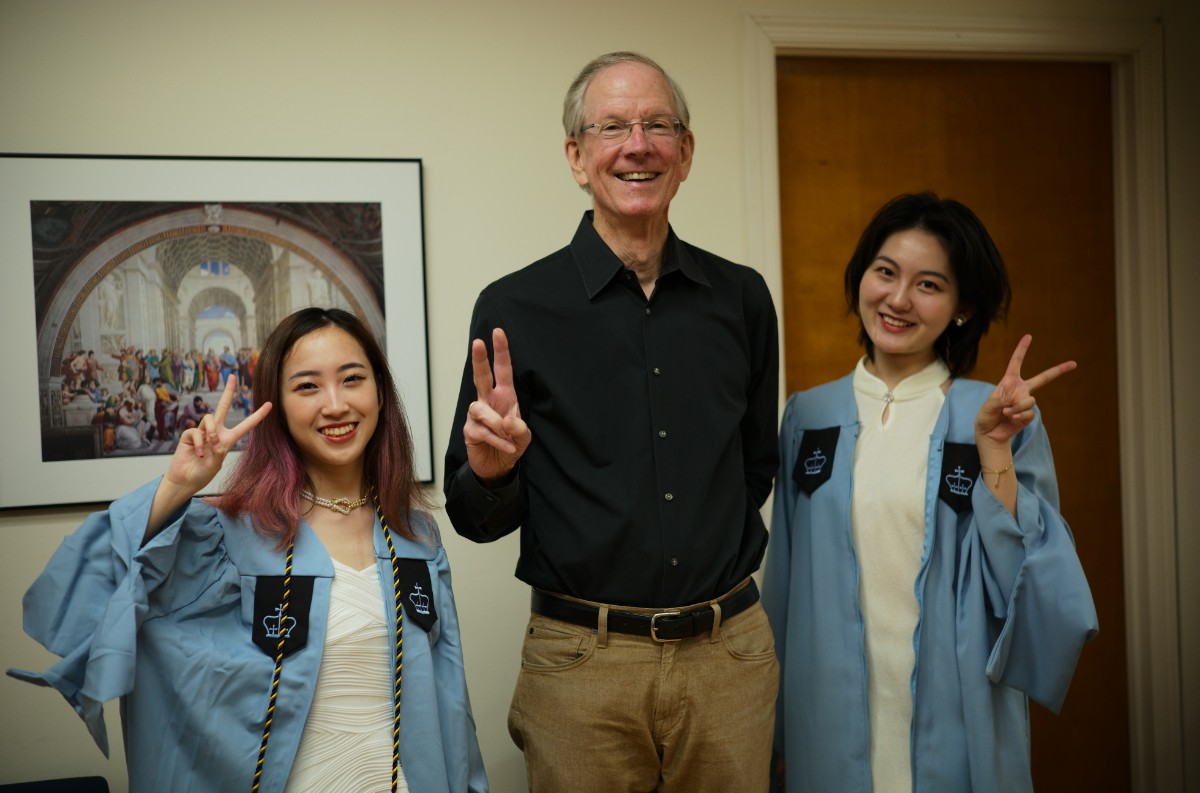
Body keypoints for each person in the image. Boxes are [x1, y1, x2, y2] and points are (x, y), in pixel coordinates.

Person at [444, 51, 780, 793]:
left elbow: (755, 464)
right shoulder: (514, 308)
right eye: (613, 127)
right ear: (576, 155)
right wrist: (494, 472)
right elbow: (471, 513)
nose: (639, 144)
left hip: (729, 656)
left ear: (685, 153)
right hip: (581, 665)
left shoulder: (743, 300)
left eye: (658, 124)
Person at [11, 307, 488, 793]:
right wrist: (176, 487)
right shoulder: (227, 534)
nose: (336, 404)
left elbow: (451, 701)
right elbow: (87, 594)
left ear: (380, 394)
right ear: (275, 406)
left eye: (352, 379)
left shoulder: (417, 536)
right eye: (307, 386)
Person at [760, 193, 1098, 793]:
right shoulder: (808, 416)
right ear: (861, 276)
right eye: (885, 272)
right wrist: (775, 734)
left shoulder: (993, 415)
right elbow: (784, 586)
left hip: (956, 712)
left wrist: (994, 450)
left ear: (963, 307)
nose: (897, 299)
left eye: (929, 284)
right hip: (826, 716)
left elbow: (1032, 582)